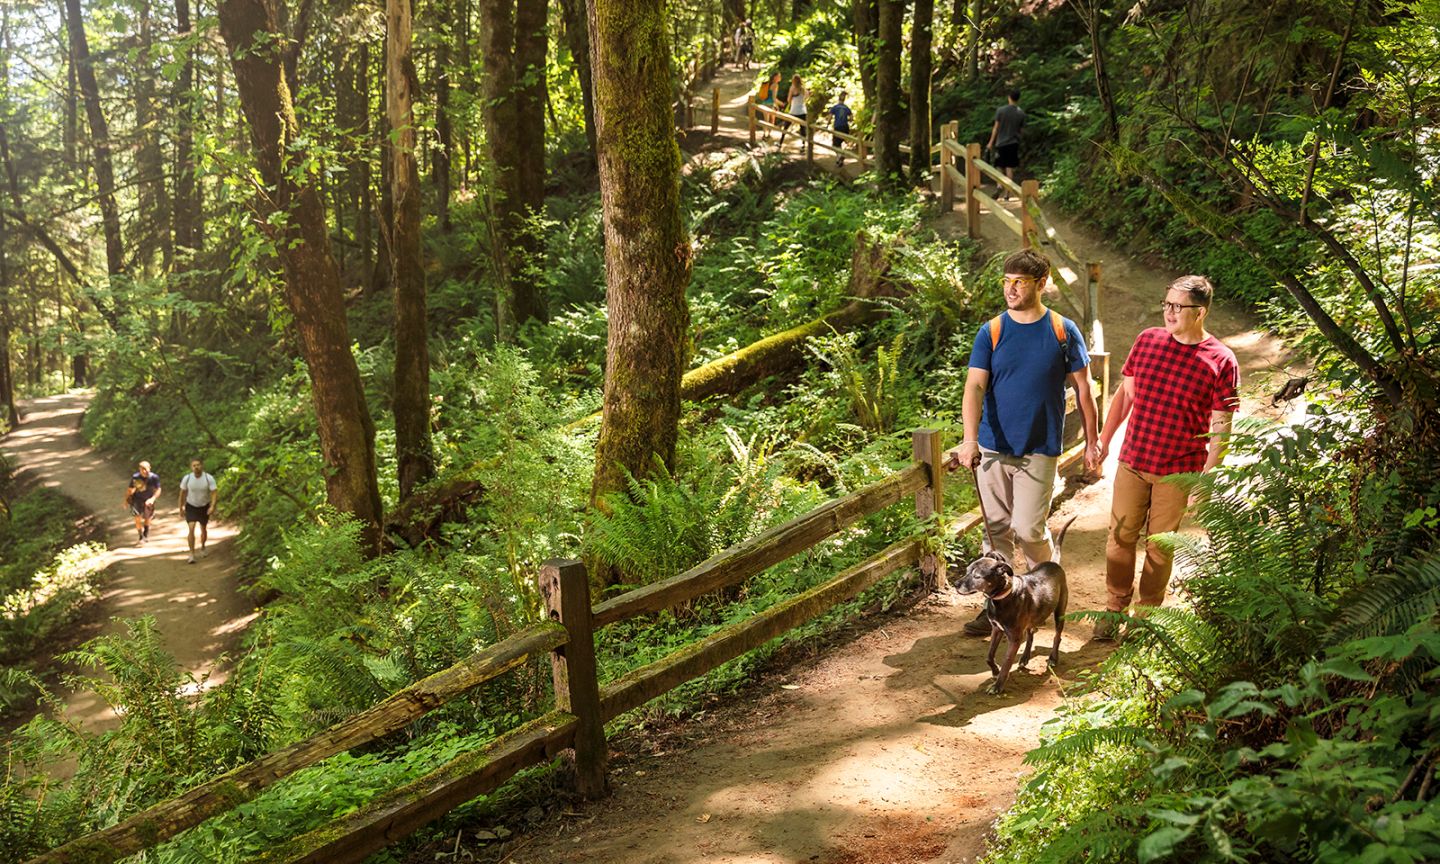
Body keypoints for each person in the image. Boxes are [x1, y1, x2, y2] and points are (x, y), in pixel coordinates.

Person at [944, 249, 1100, 636]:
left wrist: (1093, 441)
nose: (1011, 289)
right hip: (994, 447)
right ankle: (995, 608)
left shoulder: (1063, 331)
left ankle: (1042, 593)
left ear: (1042, 283)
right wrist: (968, 440)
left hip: (1039, 447)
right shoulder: (992, 331)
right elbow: (974, 386)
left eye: (1020, 282)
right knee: (995, 531)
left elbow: (1084, 389)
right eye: (1007, 281)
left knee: (1029, 529)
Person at [1094, 275, 1238, 640]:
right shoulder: (1147, 340)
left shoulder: (1221, 359)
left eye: (1178, 306)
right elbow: (1125, 397)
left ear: (1200, 311)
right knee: (1120, 539)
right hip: (1133, 460)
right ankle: (1114, 606)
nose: (1170, 312)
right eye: (1167, 304)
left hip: (1179, 471)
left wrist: (1206, 479)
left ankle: (1144, 618)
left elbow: (1221, 427)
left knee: (1160, 547)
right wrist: (1105, 438)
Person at [986, 89, 1026, 199]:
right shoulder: (1021, 113)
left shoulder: (1001, 111)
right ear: (1018, 98)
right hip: (1013, 143)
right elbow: (1021, 131)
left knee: (999, 166)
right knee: (1009, 168)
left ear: (1009, 97)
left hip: (1001, 143)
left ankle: (999, 185)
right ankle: (1008, 193)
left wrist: (990, 143)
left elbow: (995, 128)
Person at [177, 458, 219, 564]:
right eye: (194, 465)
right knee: (191, 528)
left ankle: (203, 546)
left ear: (202, 466)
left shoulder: (208, 478)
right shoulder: (187, 478)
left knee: (203, 529)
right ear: (191, 467)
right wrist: (180, 508)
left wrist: (212, 506)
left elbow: (214, 492)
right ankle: (191, 554)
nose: (196, 467)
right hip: (191, 506)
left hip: (204, 506)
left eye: (198, 465)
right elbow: (182, 493)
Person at [125, 460, 162, 544]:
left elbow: (158, 489)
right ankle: (140, 536)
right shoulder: (135, 477)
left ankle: (146, 534)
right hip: (136, 500)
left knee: (147, 518)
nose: (145, 471)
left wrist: (152, 499)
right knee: (137, 517)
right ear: (139, 469)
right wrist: (126, 501)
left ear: (150, 468)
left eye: (146, 469)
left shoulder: (154, 477)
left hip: (148, 500)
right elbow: (129, 490)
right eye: (143, 469)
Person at [779, 74, 807, 145]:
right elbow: (805, 98)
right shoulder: (803, 88)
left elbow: (789, 100)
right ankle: (803, 145)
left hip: (794, 110)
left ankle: (780, 143)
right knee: (803, 129)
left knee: (786, 127)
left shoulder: (792, 88)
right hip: (802, 111)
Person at [829, 91, 853, 166]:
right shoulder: (846, 108)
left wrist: (828, 124)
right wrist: (848, 120)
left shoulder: (835, 107)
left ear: (838, 99)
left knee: (835, 144)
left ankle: (840, 156)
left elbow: (830, 117)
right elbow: (851, 118)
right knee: (844, 142)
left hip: (838, 127)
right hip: (845, 127)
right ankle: (838, 161)